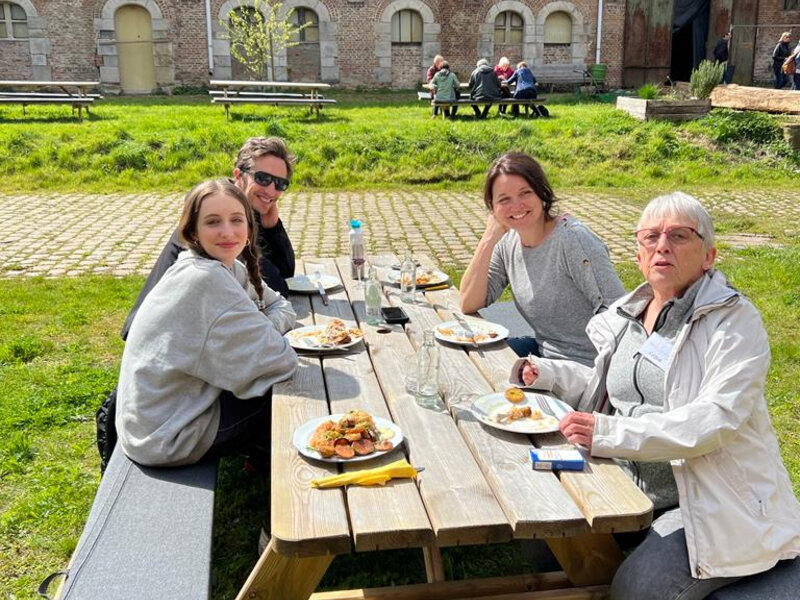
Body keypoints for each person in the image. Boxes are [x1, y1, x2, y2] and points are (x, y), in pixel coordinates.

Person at [512, 192, 800, 599]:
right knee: (544, 537)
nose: (662, 245)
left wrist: (609, 434)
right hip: (627, 481)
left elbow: (714, 419)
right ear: (639, 256)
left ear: (709, 256)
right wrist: (545, 373)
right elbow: (608, 384)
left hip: (704, 496)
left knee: (638, 588)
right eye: (651, 237)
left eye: (679, 235)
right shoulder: (630, 315)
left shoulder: (734, 325)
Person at [116, 179, 298, 467]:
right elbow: (281, 360)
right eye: (213, 222)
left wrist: (261, 327)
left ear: (250, 228)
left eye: (237, 220)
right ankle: (276, 472)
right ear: (193, 232)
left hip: (153, 420)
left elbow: (280, 305)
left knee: (260, 379)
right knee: (288, 391)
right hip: (166, 436)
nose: (227, 232)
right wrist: (262, 330)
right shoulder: (204, 278)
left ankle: (261, 461)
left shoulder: (224, 266)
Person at [121, 136, 296, 339]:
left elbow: (285, 272)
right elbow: (275, 285)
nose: (271, 190)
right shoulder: (218, 217)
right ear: (239, 175)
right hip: (158, 339)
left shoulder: (247, 211)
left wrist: (272, 225)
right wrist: (267, 326)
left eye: (280, 184)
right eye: (263, 179)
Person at [460, 152, 625, 365]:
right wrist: (488, 239)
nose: (516, 205)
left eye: (525, 193)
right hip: (545, 353)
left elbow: (619, 313)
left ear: (541, 193)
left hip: (586, 366)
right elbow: (468, 302)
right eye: (504, 199)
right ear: (492, 208)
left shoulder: (572, 239)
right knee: (469, 358)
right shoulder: (507, 242)